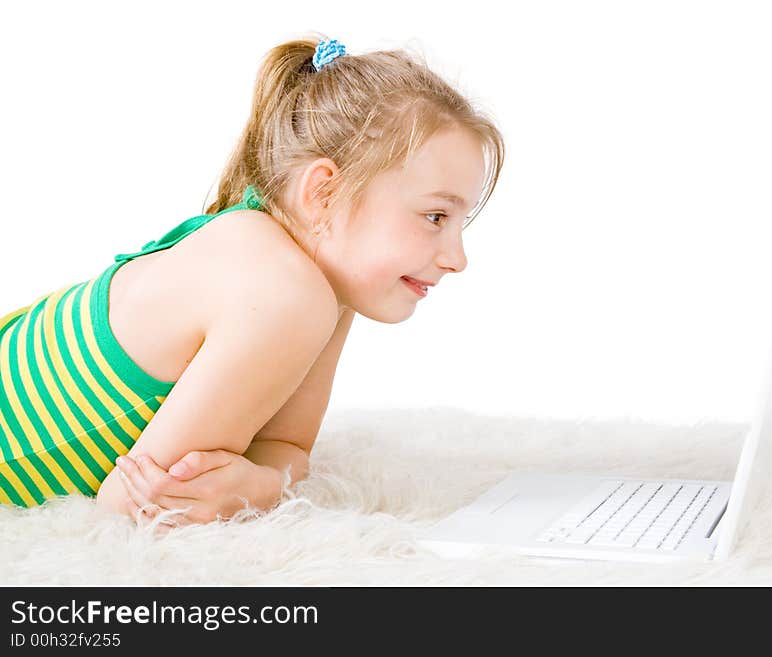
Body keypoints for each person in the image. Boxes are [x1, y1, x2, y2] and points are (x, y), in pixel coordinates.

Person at [0, 34, 504, 529]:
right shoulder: (283, 290)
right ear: (324, 194)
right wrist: (253, 487)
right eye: (436, 216)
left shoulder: (323, 284)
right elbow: (131, 508)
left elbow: (286, 448)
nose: (458, 259)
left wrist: (260, 484)